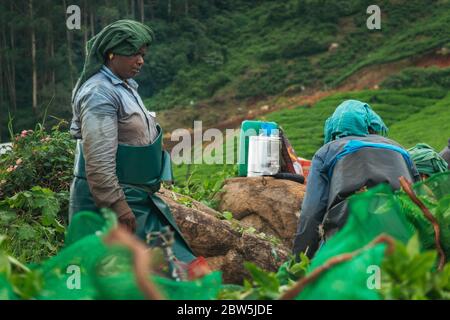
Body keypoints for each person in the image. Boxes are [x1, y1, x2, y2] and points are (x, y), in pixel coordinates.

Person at [69, 20, 195, 265]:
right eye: (134, 54)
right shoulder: (99, 94)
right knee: (119, 276)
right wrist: (118, 205)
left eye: (142, 54)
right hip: (112, 202)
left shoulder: (124, 86)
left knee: (169, 266)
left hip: (137, 197)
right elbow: (98, 160)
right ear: (111, 54)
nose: (140, 61)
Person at [292, 100, 420, 259]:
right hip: (400, 237)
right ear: (371, 124)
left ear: (334, 128)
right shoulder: (400, 150)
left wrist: (299, 258)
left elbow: (311, 212)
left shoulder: (327, 152)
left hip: (346, 239)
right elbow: (419, 199)